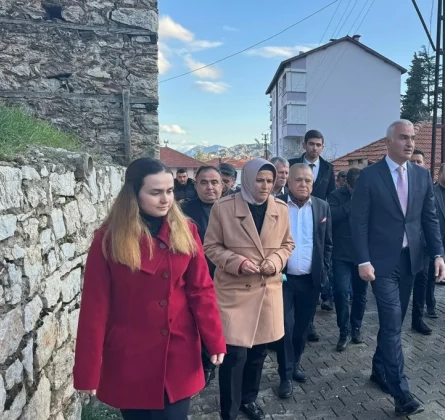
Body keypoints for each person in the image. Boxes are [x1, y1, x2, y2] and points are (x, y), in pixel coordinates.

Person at [73, 158, 226, 420]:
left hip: (178, 353)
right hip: (130, 357)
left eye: (169, 191)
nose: (165, 199)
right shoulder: (108, 239)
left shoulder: (187, 231)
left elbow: (201, 290)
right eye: (155, 192)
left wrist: (214, 339)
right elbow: (95, 307)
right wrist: (87, 369)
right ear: (134, 194)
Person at [350, 119, 445, 416]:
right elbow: (359, 222)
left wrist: (439, 254)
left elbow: (429, 218)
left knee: (395, 322)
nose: (410, 143)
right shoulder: (370, 176)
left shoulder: (421, 175)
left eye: (413, 138)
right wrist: (363, 260)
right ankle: (401, 393)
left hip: (410, 261)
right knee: (392, 324)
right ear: (388, 142)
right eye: (404, 137)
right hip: (380, 264)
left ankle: (380, 369)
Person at [204, 158, 295, 420]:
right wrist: (238, 262)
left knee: (258, 353)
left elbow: (287, 245)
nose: (265, 185)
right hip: (234, 291)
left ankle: (249, 400)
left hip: (267, 290)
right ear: (247, 179)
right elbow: (211, 246)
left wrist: (276, 261)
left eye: (269, 180)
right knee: (234, 357)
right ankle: (229, 411)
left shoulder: (281, 208)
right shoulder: (223, 208)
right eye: (259, 180)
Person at [275, 163, 332, 399]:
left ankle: (295, 363)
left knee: (301, 329)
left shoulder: (321, 206)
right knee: (285, 329)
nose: (303, 184)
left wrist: (324, 269)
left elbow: (327, 243)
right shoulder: (276, 205)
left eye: (308, 181)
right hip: (283, 280)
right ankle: (285, 375)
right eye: (298, 180)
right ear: (288, 182)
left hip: (310, 280)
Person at [290, 130, 337, 335]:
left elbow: (331, 196)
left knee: (311, 285)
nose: (314, 148)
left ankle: (309, 324)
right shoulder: (292, 163)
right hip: (292, 214)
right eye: (311, 144)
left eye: (318, 145)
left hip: (317, 220)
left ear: (322, 147)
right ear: (304, 145)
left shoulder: (328, 168)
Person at [180, 165, 224, 386]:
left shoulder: (233, 209)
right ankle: (205, 362)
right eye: (204, 182)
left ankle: (217, 356)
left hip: (226, 276)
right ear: (195, 185)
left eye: (214, 182)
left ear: (222, 185)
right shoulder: (182, 213)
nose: (210, 187)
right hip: (195, 277)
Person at [329, 167, 368, 351]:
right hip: (341, 254)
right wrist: (352, 202)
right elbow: (332, 217)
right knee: (342, 292)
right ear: (348, 185)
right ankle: (343, 331)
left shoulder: (369, 196)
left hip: (362, 255)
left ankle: (356, 328)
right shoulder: (336, 196)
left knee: (360, 294)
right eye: (354, 189)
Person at [408, 149, 433, 335]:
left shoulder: (427, 186)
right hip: (402, 245)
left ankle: (418, 318)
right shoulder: (400, 185)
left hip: (422, 246)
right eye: (413, 161)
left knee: (422, 281)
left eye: (419, 161)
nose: (416, 164)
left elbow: (432, 217)